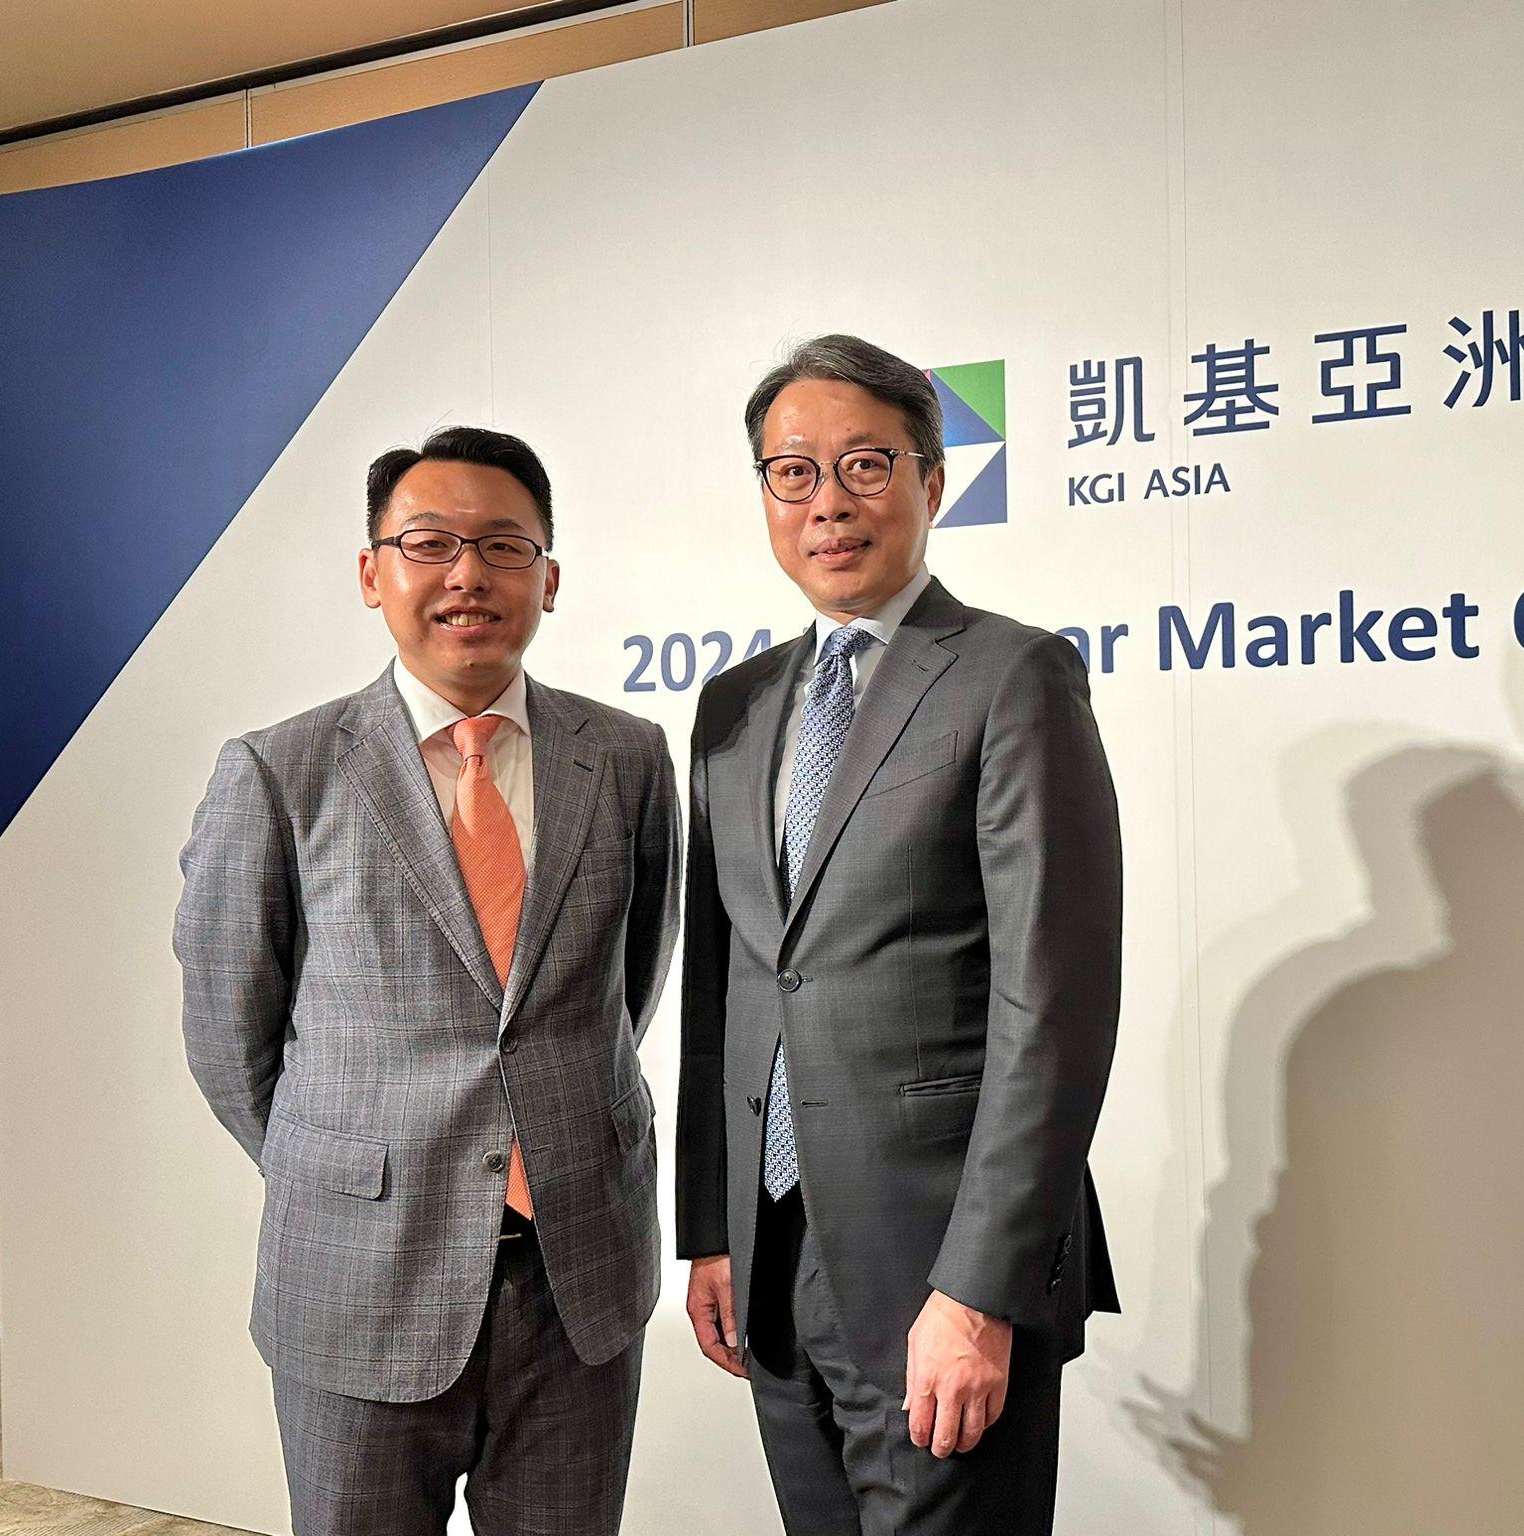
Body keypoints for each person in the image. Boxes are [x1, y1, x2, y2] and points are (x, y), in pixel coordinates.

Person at [176, 426, 678, 1536]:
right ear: (373, 573)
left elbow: (627, 986)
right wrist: (356, 1169)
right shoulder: (280, 771)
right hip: (360, 1278)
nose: (467, 575)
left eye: (503, 546)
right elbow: (227, 1034)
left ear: (549, 577)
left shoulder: (627, 756)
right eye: (429, 544)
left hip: (577, 1278)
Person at [676, 335, 1122, 1533]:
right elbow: (726, 984)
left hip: (938, 1274)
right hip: (772, 1260)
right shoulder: (731, 707)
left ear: (931, 480)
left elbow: (1054, 1009)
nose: (827, 502)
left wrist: (977, 1292)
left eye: (864, 465)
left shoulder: (1011, 676)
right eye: (792, 472)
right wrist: (713, 1232)